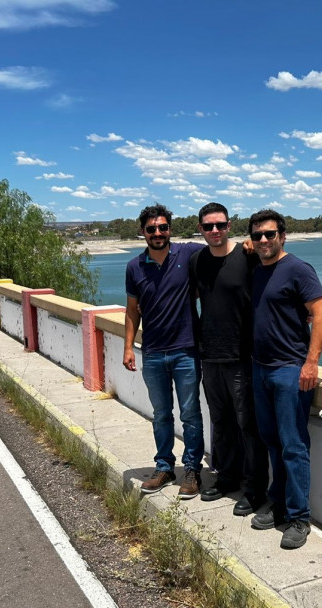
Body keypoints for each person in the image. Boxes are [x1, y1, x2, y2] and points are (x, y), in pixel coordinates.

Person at [247, 209, 322, 550]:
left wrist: (310, 363)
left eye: (270, 234)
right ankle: (277, 504)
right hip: (260, 367)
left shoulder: (298, 269)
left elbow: (321, 316)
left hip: (289, 370)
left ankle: (299, 517)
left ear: (283, 236)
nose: (264, 240)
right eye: (257, 236)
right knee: (272, 441)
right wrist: (245, 247)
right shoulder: (257, 269)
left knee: (293, 445)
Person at [190, 202, 269, 517]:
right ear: (201, 229)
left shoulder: (248, 256)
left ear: (229, 225)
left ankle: (254, 489)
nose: (214, 231)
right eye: (208, 226)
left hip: (241, 357)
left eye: (220, 225)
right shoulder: (198, 261)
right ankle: (226, 478)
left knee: (247, 424)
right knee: (221, 422)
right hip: (210, 357)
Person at [124, 204, 205, 499]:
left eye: (163, 227)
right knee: (160, 414)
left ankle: (192, 469)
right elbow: (132, 310)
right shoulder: (134, 267)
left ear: (170, 228)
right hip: (154, 352)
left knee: (190, 414)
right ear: (142, 232)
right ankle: (164, 466)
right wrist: (128, 347)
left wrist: (246, 244)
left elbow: (220, 244)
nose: (158, 233)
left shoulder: (188, 253)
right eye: (151, 229)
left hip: (186, 350)